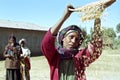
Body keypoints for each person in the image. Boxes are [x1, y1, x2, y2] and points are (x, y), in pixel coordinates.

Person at [41, 1, 115, 80]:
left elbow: (96, 48)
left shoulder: (80, 57)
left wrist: (97, 16)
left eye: (77, 39)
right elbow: (46, 43)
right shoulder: (54, 57)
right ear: (62, 39)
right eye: (71, 37)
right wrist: (64, 17)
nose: (73, 41)